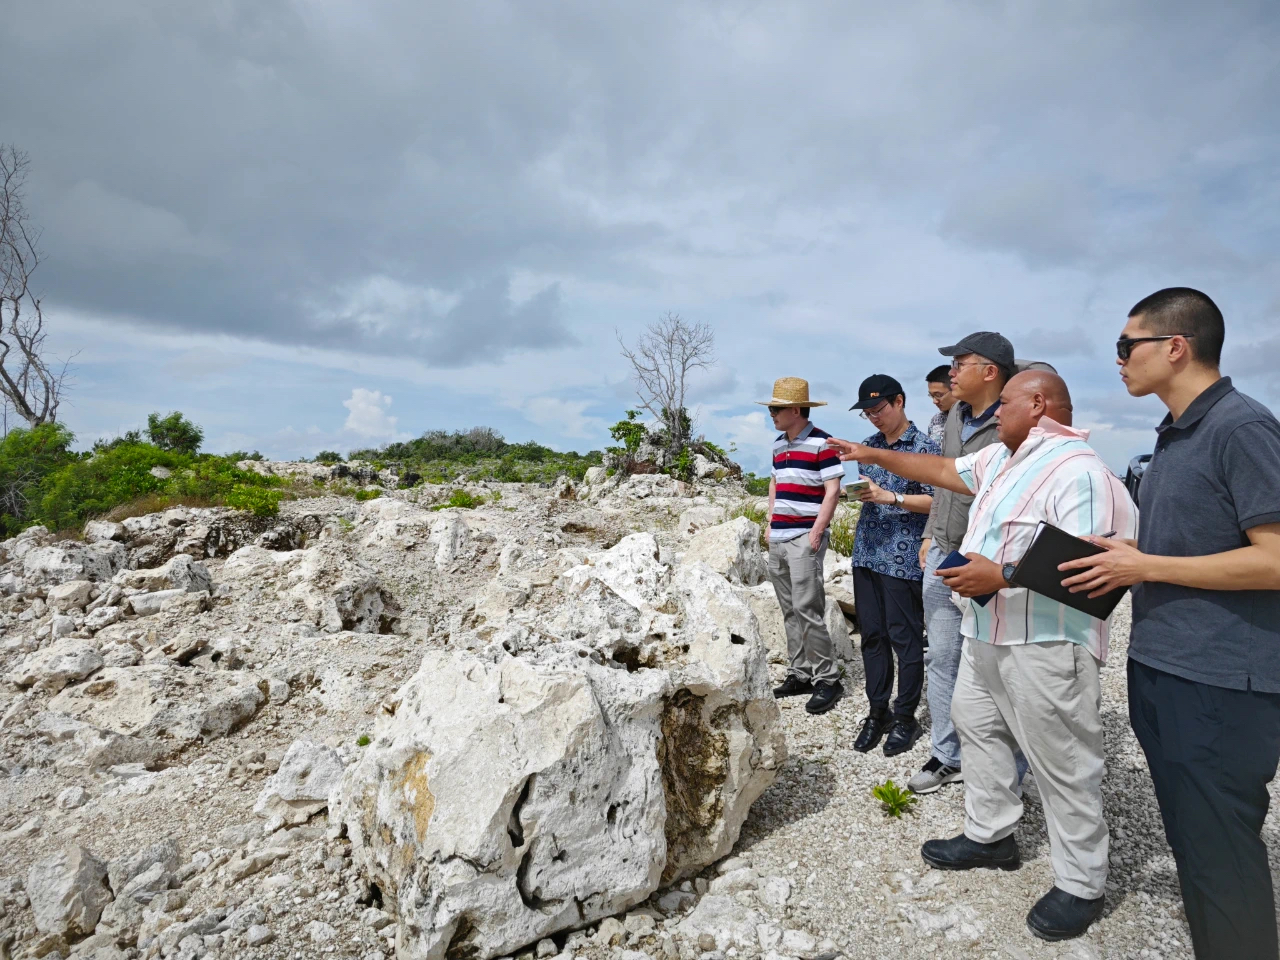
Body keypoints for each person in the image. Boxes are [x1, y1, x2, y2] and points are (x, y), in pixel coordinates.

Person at [826, 371, 1138, 942]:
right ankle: (991, 835)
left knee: (1063, 762)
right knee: (978, 730)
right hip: (987, 634)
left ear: (1039, 404)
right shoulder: (1005, 459)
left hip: (1044, 645)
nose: (995, 415)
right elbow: (944, 471)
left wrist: (1003, 574)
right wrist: (870, 452)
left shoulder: (1082, 473)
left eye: (1008, 404)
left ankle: (1082, 881)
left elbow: (1100, 573)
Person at [1059, 288, 1280, 960]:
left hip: (1219, 684)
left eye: (1128, 346)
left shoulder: (1241, 428)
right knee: (1195, 847)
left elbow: (1274, 559)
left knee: (1222, 863)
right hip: (1165, 670)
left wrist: (1146, 566)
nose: (1119, 361)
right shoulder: (1176, 433)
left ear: (1175, 347)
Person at [911, 332, 1016, 796]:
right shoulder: (953, 413)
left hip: (989, 560)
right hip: (944, 550)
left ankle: (1010, 769)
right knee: (942, 657)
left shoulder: (1019, 420)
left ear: (989, 371)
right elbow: (944, 477)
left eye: (960, 362)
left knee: (1000, 668)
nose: (951, 372)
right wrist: (931, 532)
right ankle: (946, 755)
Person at [845, 374, 937, 755]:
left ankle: (905, 717)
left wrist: (893, 497)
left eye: (878, 409)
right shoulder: (868, 446)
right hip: (867, 551)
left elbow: (939, 500)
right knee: (873, 637)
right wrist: (864, 494)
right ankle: (877, 710)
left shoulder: (926, 448)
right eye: (868, 413)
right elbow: (872, 493)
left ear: (899, 401)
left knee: (905, 637)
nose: (874, 418)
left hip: (902, 558)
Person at [758, 377, 846, 715]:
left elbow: (833, 489)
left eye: (776, 409)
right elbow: (775, 483)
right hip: (779, 536)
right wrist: (769, 522)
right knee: (789, 610)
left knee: (808, 608)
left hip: (804, 536)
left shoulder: (823, 443)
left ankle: (828, 678)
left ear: (795, 409)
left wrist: (817, 531)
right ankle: (800, 673)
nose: (771, 414)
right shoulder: (779, 445)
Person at [925, 364, 956, 447]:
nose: (934, 401)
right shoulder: (936, 420)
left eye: (938, 395)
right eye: (931, 396)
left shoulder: (969, 417)